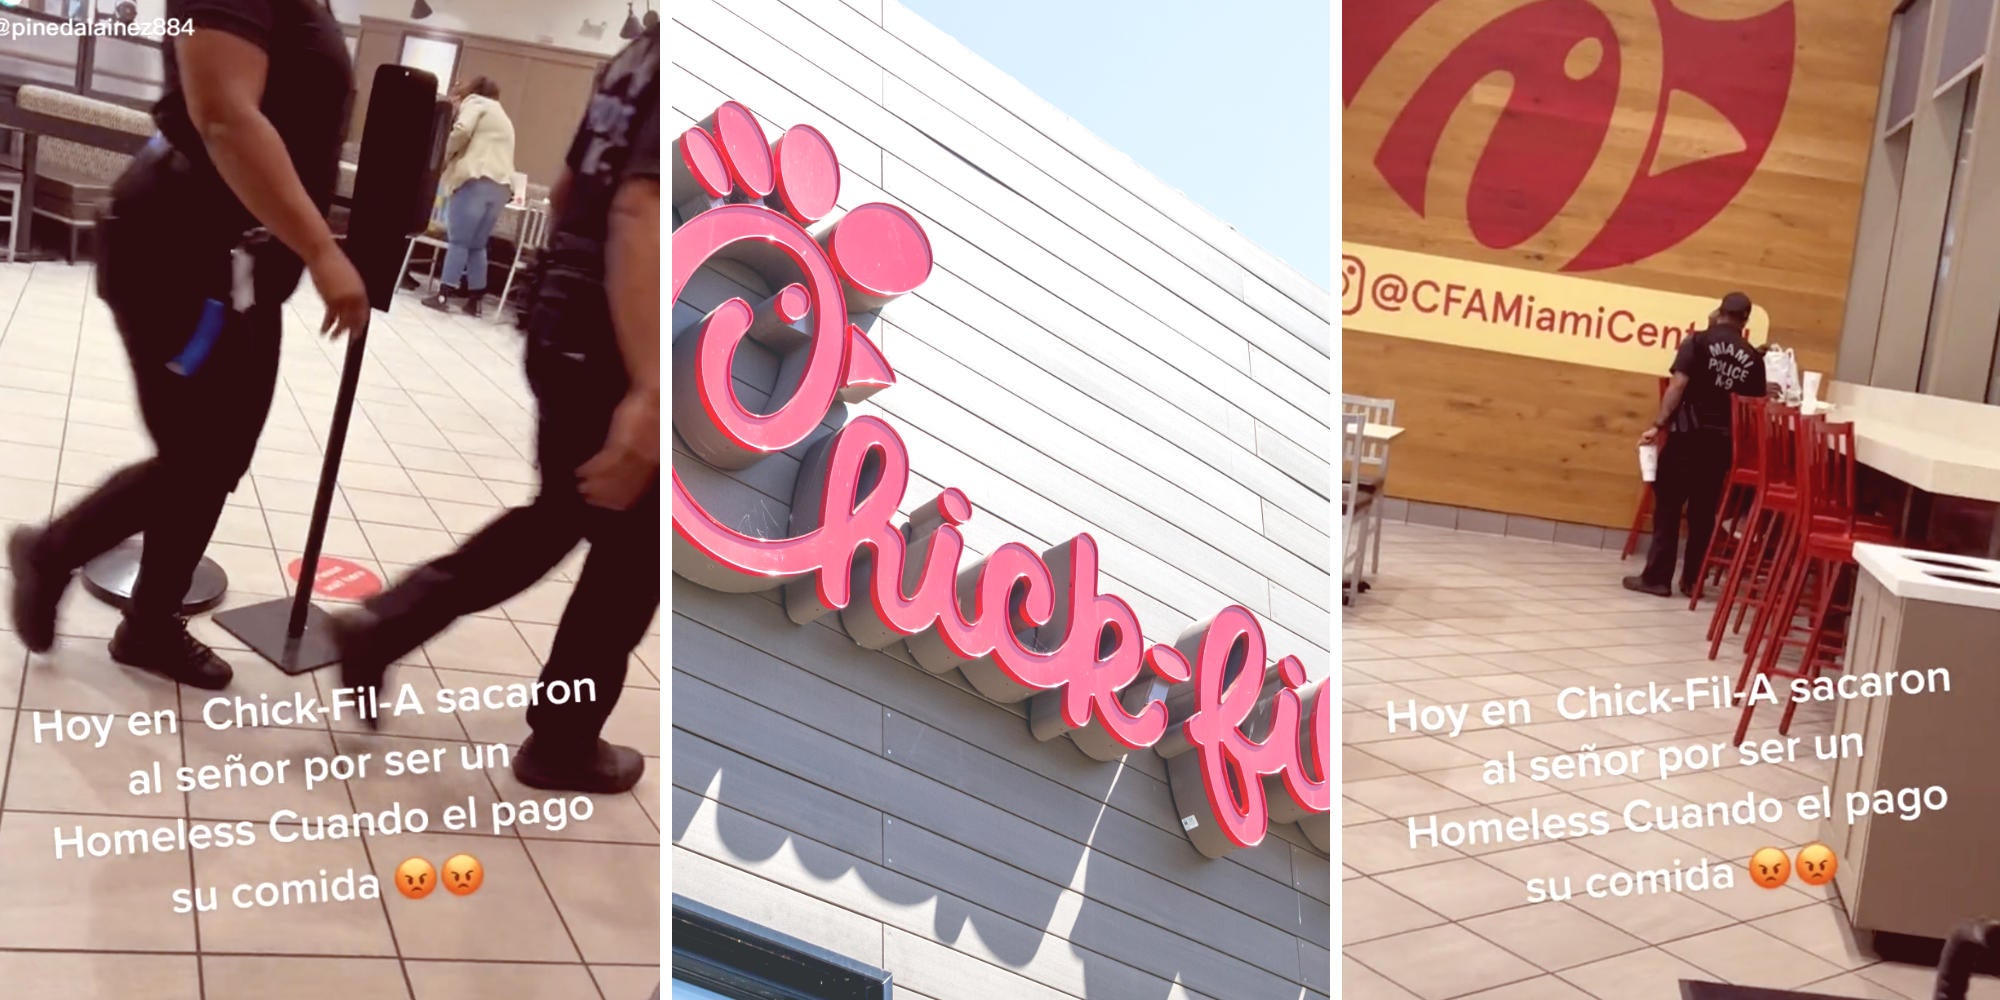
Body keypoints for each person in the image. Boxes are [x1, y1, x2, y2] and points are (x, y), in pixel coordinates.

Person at [333, 22, 659, 794]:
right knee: (629, 557)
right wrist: (647, 387)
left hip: (565, 312)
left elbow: (579, 184)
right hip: (609, 334)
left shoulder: (636, 56)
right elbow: (637, 209)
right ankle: (562, 740)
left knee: (561, 516)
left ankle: (386, 625)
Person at [8, 0, 365, 689]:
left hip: (237, 266)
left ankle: (148, 622)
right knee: (197, 455)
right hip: (182, 255)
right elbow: (223, 113)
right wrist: (320, 249)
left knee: (219, 455)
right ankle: (51, 552)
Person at [1623, 292, 1768, 599]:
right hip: (1720, 445)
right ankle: (1693, 582)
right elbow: (1755, 406)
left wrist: (1658, 424)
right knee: (1703, 514)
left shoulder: (1697, 342)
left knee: (1669, 507)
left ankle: (1657, 578)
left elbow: (1678, 385)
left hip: (1687, 435)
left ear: (1720, 311)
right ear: (1745, 319)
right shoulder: (1754, 358)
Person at [421, 75, 516, 318]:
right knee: (477, 245)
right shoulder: (501, 113)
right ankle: (475, 301)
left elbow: (462, 130)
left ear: (471, 90)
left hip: (475, 179)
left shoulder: (475, 102)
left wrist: (442, 151)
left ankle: (443, 295)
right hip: (501, 186)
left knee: (459, 241)